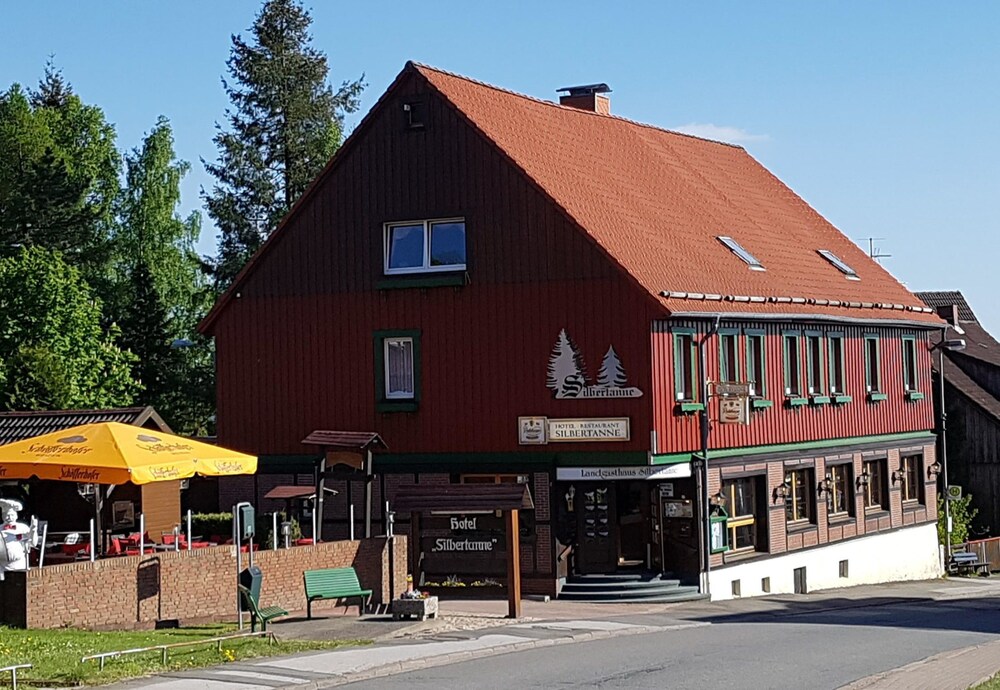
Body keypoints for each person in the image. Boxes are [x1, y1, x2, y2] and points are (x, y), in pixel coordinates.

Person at [0, 498, 38, 575]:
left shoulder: (22, 527)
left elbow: (33, 543)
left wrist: (33, 529)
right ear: (3, 516)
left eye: (12, 515)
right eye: (7, 515)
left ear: (16, 516)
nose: (9, 518)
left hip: (19, 565)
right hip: (2, 567)